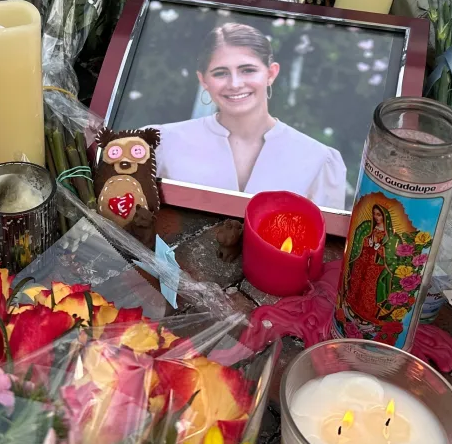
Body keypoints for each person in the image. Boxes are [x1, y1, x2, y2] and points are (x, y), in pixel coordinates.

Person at [153, 23, 346, 209]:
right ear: (203, 80)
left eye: (248, 70)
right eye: (220, 73)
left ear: (271, 74)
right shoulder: (163, 144)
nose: (235, 84)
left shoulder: (318, 160)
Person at [342, 203, 392, 323]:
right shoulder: (372, 228)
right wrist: (367, 241)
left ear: (384, 216)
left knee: (369, 289)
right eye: (374, 214)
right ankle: (352, 307)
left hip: (375, 265)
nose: (376, 217)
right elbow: (363, 240)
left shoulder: (387, 234)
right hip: (363, 260)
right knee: (356, 281)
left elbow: (388, 253)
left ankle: (366, 313)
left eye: (379, 215)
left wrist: (379, 248)